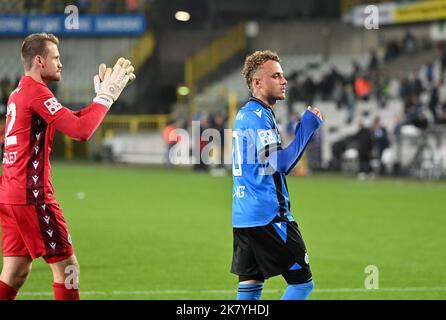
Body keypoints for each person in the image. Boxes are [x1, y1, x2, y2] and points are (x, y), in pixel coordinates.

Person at [0, 33, 135, 300]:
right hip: (32, 195)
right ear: (40, 60)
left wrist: (100, 100)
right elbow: (81, 131)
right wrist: (105, 99)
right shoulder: (37, 92)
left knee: (15, 272)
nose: (61, 64)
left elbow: (72, 119)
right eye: (56, 58)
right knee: (68, 269)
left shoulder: (20, 92)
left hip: (10, 194)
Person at [231, 50, 322, 300]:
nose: (284, 81)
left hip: (244, 217)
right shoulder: (258, 116)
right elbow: (279, 164)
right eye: (276, 76)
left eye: (283, 75)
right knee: (302, 284)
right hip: (269, 216)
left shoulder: (246, 114)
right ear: (257, 82)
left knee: (250, 289)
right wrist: (306, 129)